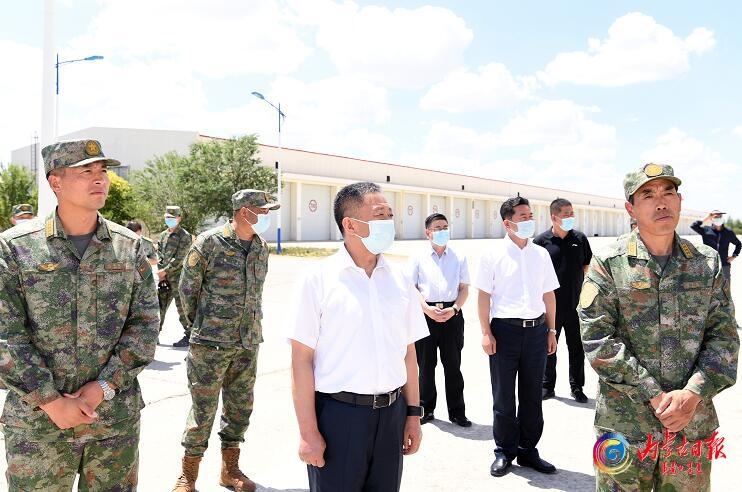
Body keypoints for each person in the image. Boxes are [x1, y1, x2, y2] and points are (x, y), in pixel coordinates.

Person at [0, 139, 159, 490]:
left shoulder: (129, 247)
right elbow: (5, 335)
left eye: (102, 170)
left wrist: (103, 387)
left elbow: (145, 325)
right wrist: (51, 401)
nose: (100, 178)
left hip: (112, 421)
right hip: (38, 426)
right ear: (55, 181)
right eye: (86, 171)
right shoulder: (15, 248)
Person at [578, 163, 739, 491]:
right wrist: (653, 394)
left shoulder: (706, 262)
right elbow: (597, 337)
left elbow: (724, 336)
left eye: (668, 192)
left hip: (690, 425)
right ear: (631, 209)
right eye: (648, 195)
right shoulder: (608, 263)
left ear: (679, 201)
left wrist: (692, 394)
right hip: (624, 426)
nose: (661, 202)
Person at [288, 181, 428, 491]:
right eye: (380, 215)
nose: (389, 222)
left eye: (390, 215)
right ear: (350, 224)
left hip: (392, 416)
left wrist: (413, 415)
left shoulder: (400, 278)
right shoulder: (318, 279)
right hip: (339, 418)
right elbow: (301, 361)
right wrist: (308, 433)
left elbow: (408, 353)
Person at [171, 189, 278, 492]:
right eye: (263, 211)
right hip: (210, 344)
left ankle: (230, 470)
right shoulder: (209, 242)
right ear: (245, 211)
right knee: (202, 411)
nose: (267, 217)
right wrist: (201, 329)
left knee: (240, 409)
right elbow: (187, 291)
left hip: (247, 342)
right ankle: (188, 476)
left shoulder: (260, 247)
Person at [473, 196, 559, 478]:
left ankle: (528, 450)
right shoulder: (492, 255)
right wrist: (486, 333)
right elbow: (484, 297)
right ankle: (504, 451)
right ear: (507, 223)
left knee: (532, 395)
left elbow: (548, 294)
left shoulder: (541, 254)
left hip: (536, 331)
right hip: (504, 332)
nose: (529, 221)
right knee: (504, 397)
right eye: (523, 217)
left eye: (530, 215)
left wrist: (551, 330)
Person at [408, 212, 471, 426]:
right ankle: (426, 409)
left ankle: (457, 412)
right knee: (426, 366)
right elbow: (411, 288)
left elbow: (464, 288)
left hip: (452, 314)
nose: (443, 231)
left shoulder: (459, 257)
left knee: (453, 366)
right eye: (438, 228)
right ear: (428, 233)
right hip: (425, 315)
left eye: (445, 227)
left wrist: (454, 309)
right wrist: (426, 309)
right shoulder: (418, 257)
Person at [534, 198, 592, 403]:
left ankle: (577, 387)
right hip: (550, 307)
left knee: (577, 348)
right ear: (554, 217)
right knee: (549, 347)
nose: (570, 217)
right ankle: (547, 386)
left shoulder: (580, 239)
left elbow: (586, 266)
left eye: (572, 213)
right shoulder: (541, 242)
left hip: (576, 305)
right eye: (566, 214)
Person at [157, 205, 193, 346]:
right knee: (159, 306)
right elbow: (160, 255)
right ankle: (153, 334)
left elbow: (180, 258)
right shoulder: (163, 235)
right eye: (167, 217)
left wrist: (165, 271)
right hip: (164, 278)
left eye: (172, 218)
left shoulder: (184, 236)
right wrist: (161, 272)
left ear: (179, 218)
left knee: (183, 308)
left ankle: (190, 336)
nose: (169, 220)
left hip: (179, 279)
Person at [691, 210, 740, 284]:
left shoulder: (728, 232)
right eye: (716, 216)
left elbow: (738, 244)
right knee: (707, 286)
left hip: (724, 265)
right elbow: (694, 226)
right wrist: (707, 217)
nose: (718, 218)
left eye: (720, 216)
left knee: (725, 286)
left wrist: (734, 255)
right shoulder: (706, 230)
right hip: (708, 265)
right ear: (711, 218)